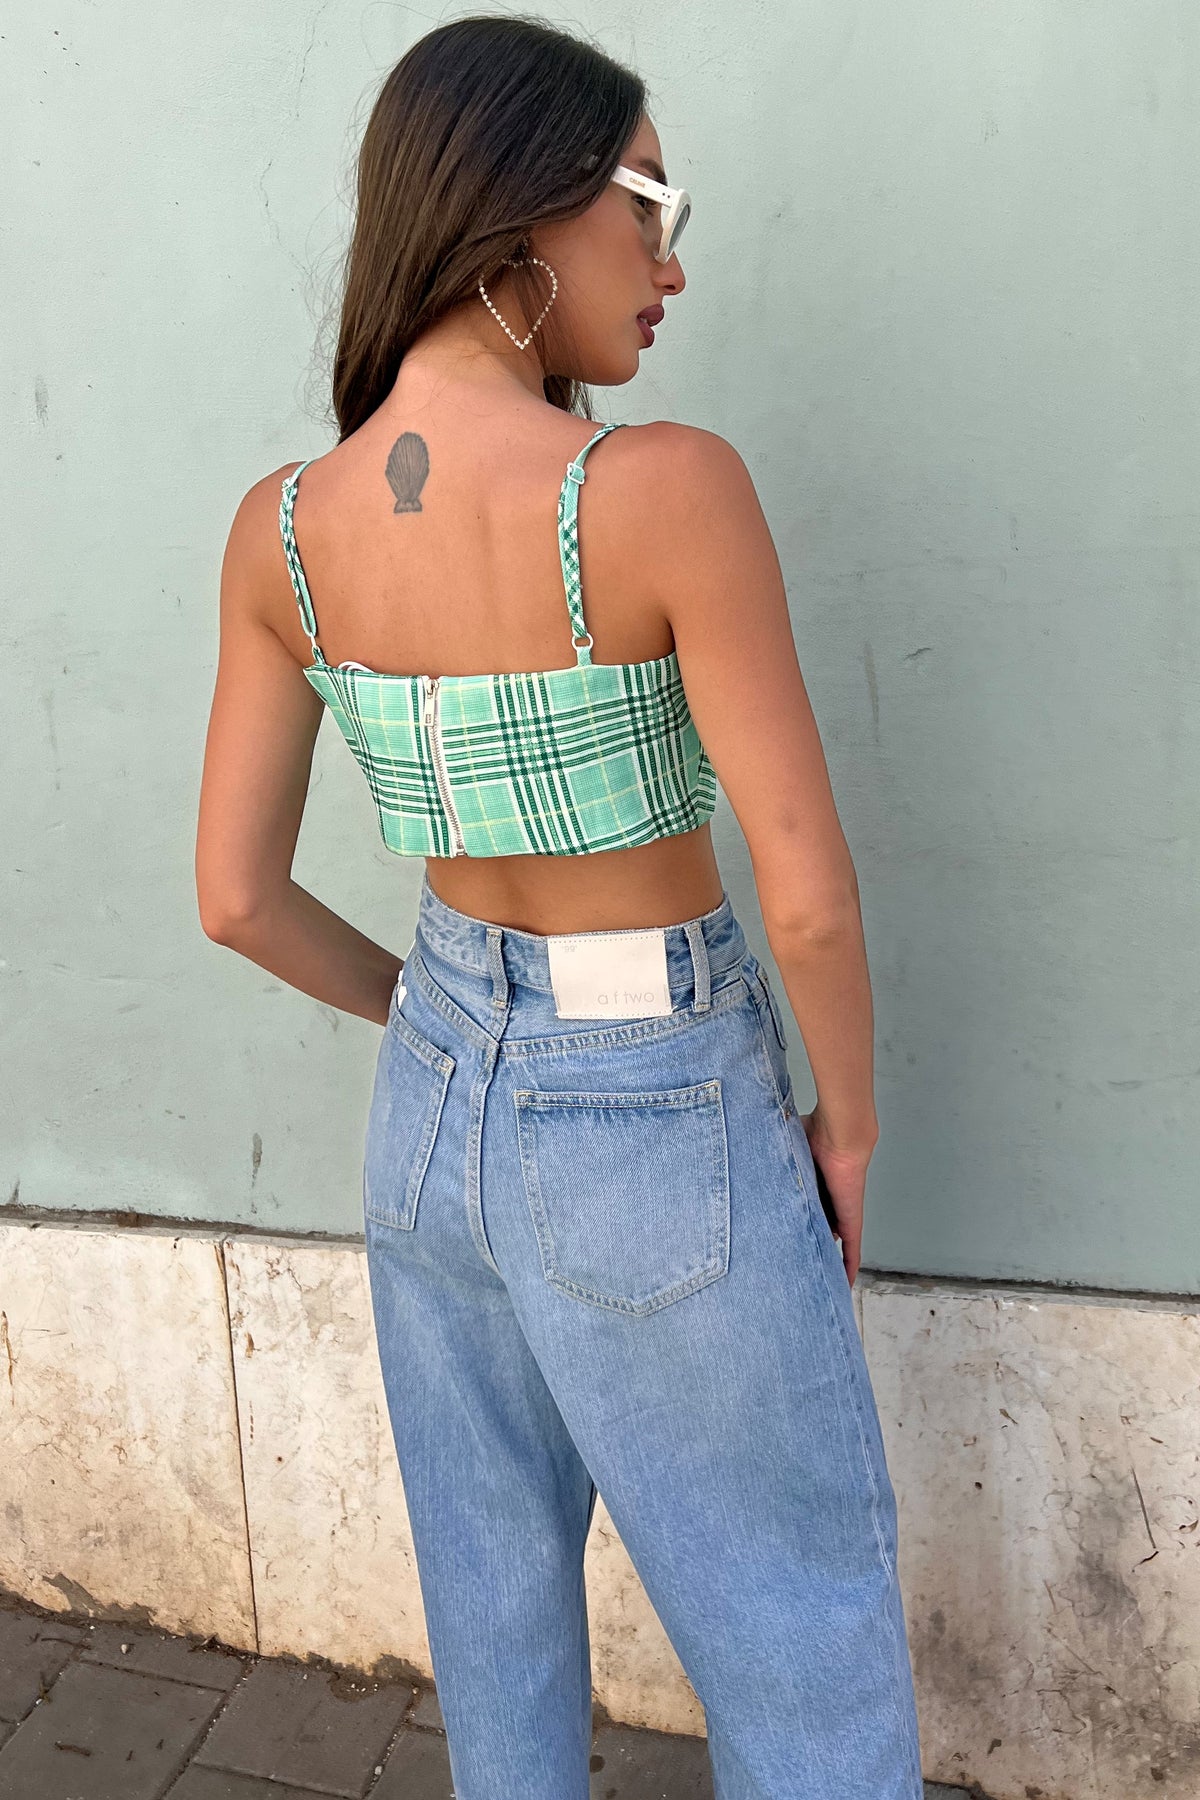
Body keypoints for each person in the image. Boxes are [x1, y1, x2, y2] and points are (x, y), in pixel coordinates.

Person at [195, 14, 924, 1797]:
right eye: (648, 205)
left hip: (430, 1112)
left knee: (498, 1629)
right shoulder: (659, 492)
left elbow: (234, 899)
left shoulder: (283, 531)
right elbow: (809, 905)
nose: (674, 264)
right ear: (522, 208)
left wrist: (449, 1023)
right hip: (657, 1107)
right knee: (801, 1643)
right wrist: (844, 1133)